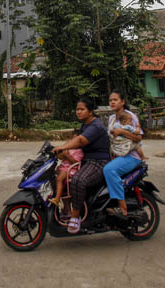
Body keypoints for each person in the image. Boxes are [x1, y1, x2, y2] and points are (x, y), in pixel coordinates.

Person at [52, 96, 110, 234]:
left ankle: (75, 216)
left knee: (78, 180)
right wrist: (60, 150)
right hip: (87, 161)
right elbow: (75, 142)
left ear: (90, 111)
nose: (78, 112)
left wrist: (63, 147)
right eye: (77, 109)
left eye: (82, 109)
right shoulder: (85, 125)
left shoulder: (96, 126)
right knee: (59, 177)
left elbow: (80, 141)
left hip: (98, 162)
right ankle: (67, 210)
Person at [102, 90, 144, 217]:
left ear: (123, 102)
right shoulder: (111, 118)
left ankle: (122, 207)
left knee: (109, 170)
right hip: (117, 153)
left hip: (131, 155)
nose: (112, 102)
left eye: (115, 100)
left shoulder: (130, 116)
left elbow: (139, 138)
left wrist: (122, 132)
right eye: (110, 100)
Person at [47, 138, 83, 208]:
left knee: (59, 179)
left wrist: (67, 155)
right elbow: (61, 158)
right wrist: (57, 152)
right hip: (64, 167)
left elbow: (76, 162)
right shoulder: (69, 148)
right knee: (52, 176)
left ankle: (57, 199)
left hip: (70, 169)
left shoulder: (79, 151)